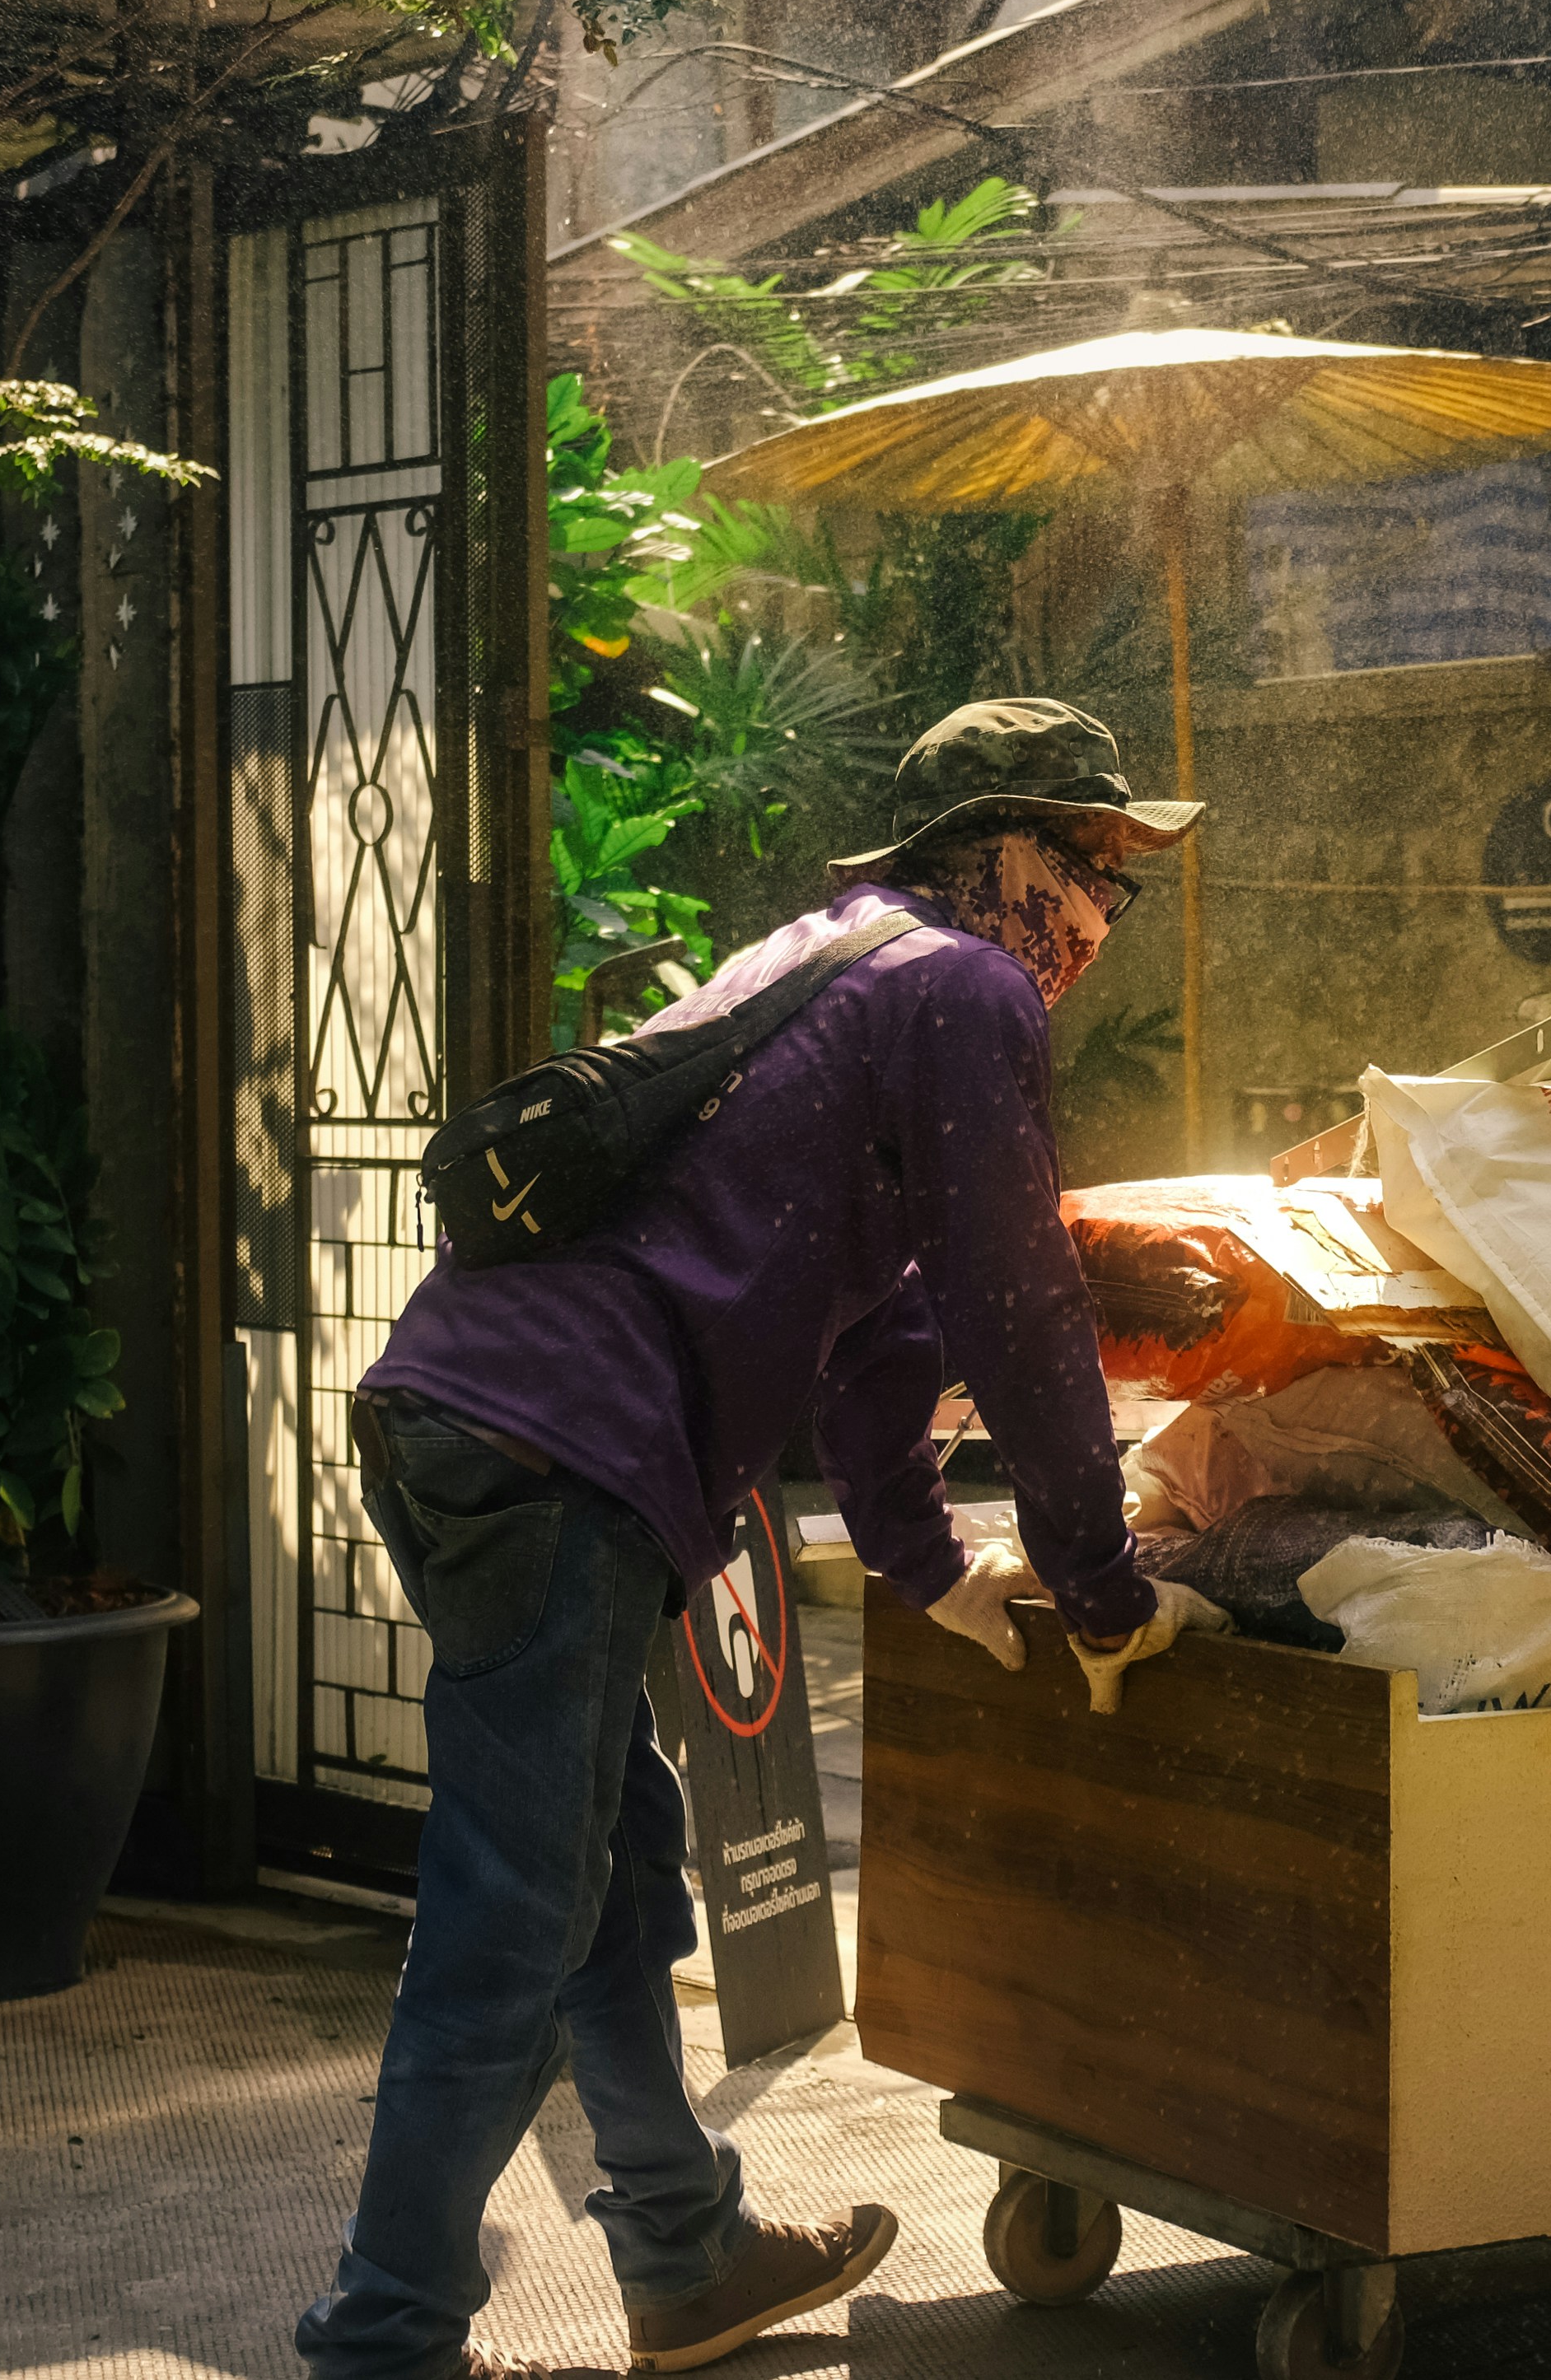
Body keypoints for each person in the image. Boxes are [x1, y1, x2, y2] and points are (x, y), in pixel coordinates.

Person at [297, 698, 1217, 2380]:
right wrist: (1099, 1582)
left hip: (479, 1421)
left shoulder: (829, 958)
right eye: (1100, 873)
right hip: (560, 1444)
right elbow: (1015, 1305)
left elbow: (887, 1324)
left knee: (617, 1868)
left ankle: (683, 2249)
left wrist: (926, 1563)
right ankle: (382, 2339)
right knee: (512, 1913)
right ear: (1008, 853)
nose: (1105, 918)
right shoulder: (962, 986)